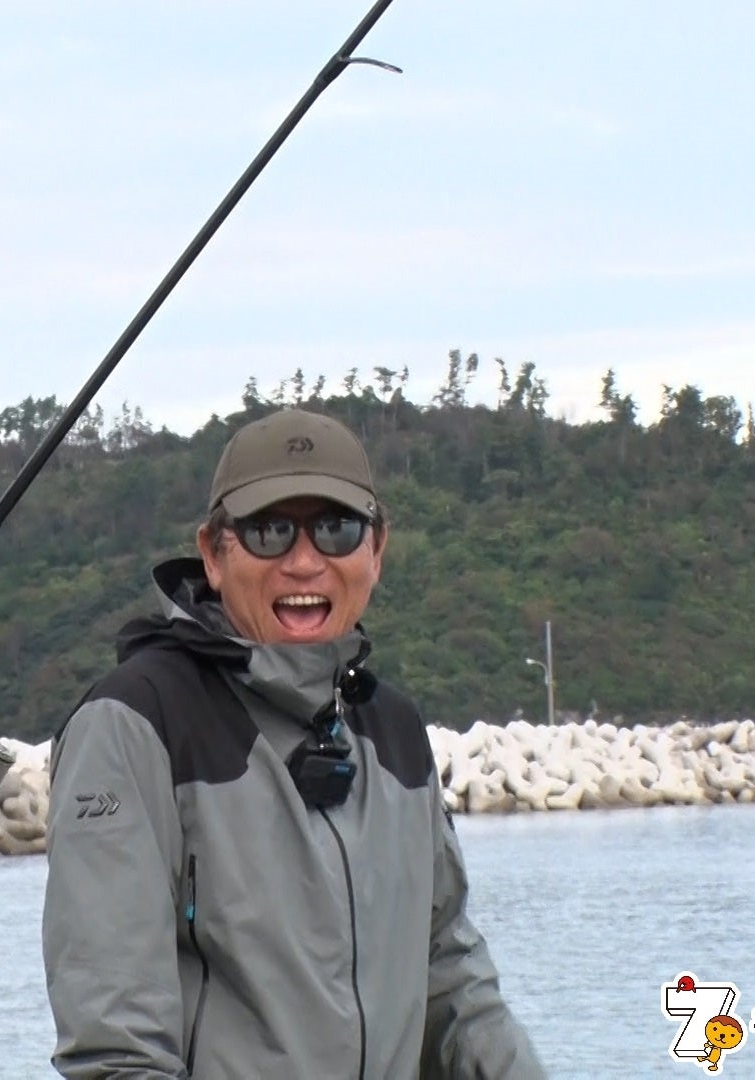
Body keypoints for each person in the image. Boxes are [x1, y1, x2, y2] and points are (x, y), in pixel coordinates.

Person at [42, 408, 543, 1078]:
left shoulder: (393, 731)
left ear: (377, 549)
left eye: (336, 529)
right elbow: (116, 1052)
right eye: (270, 531)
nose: (305, 562)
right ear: (214, 554)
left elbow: (452, 982)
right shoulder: (134, 724)